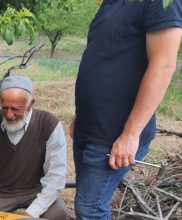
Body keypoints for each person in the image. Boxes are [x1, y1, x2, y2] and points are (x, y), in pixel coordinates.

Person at [71, 0, 182, 219]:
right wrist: (80, 115)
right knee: (86, 203)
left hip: (113, 135)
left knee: (90, 208)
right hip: (89, 128)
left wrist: (131, 134)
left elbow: (163, 66)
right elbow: (106, 57)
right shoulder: (110, 3)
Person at [0, 76, 68, 220]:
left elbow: (56, 176)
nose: (9, 114)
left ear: (30, 104)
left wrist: (30, 215)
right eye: (4, 108)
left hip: (36, 192)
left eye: (15, 109)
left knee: (59, 214)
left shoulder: (49, 124)